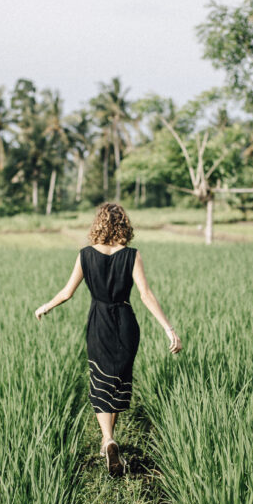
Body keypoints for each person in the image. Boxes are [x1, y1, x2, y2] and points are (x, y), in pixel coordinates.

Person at [34, 202, 181, 476]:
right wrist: (169, 329)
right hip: (126, 322)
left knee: (100, 380)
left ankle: (108, 439)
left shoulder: (85, 255)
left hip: (98, 323)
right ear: (124, 225)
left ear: (98, 223)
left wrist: (45, 306)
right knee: (119, 380)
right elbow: (146, 294)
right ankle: (109, 441)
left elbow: (67, 293)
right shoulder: (132, 255)